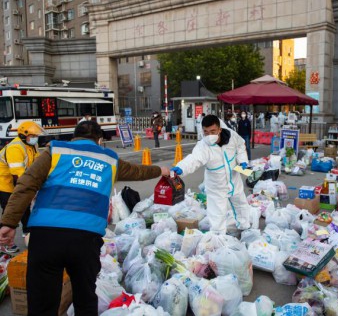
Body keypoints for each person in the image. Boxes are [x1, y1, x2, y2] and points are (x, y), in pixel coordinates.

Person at [0, 121, 170, 315]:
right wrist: (161, 171)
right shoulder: (109, 159)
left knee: (42, 302)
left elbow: (26, 185)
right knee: (85, 297)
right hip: (85, 238)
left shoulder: (55, 151)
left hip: (46, 235)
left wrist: (9, 222)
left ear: (74, 137)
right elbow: (138, 171)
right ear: (99, 140)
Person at [170, 115, 250, 234]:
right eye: (206, 132)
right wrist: (181, 168)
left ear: (219, 129)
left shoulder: (232, 136)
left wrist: (243, 160)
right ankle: (219, 239)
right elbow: (194, 159)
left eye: (213, 131)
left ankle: (245, 227)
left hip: (234, 179)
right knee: (217, 214)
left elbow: (240, 145)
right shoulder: (203, 146)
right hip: (216, 184)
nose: (209, 135)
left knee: (241, 204)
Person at [0, 121, 45, 253]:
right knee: (9, 212)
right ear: (24, 135)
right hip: (5, 184)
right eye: (33, 135)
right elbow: (18, 176)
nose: (35, 138)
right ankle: (4, 242)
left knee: (25, 209)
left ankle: (28, 234)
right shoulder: (15, 148)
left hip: (19, 183)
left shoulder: (32, 146)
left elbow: (38, 165)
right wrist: (33, 189)